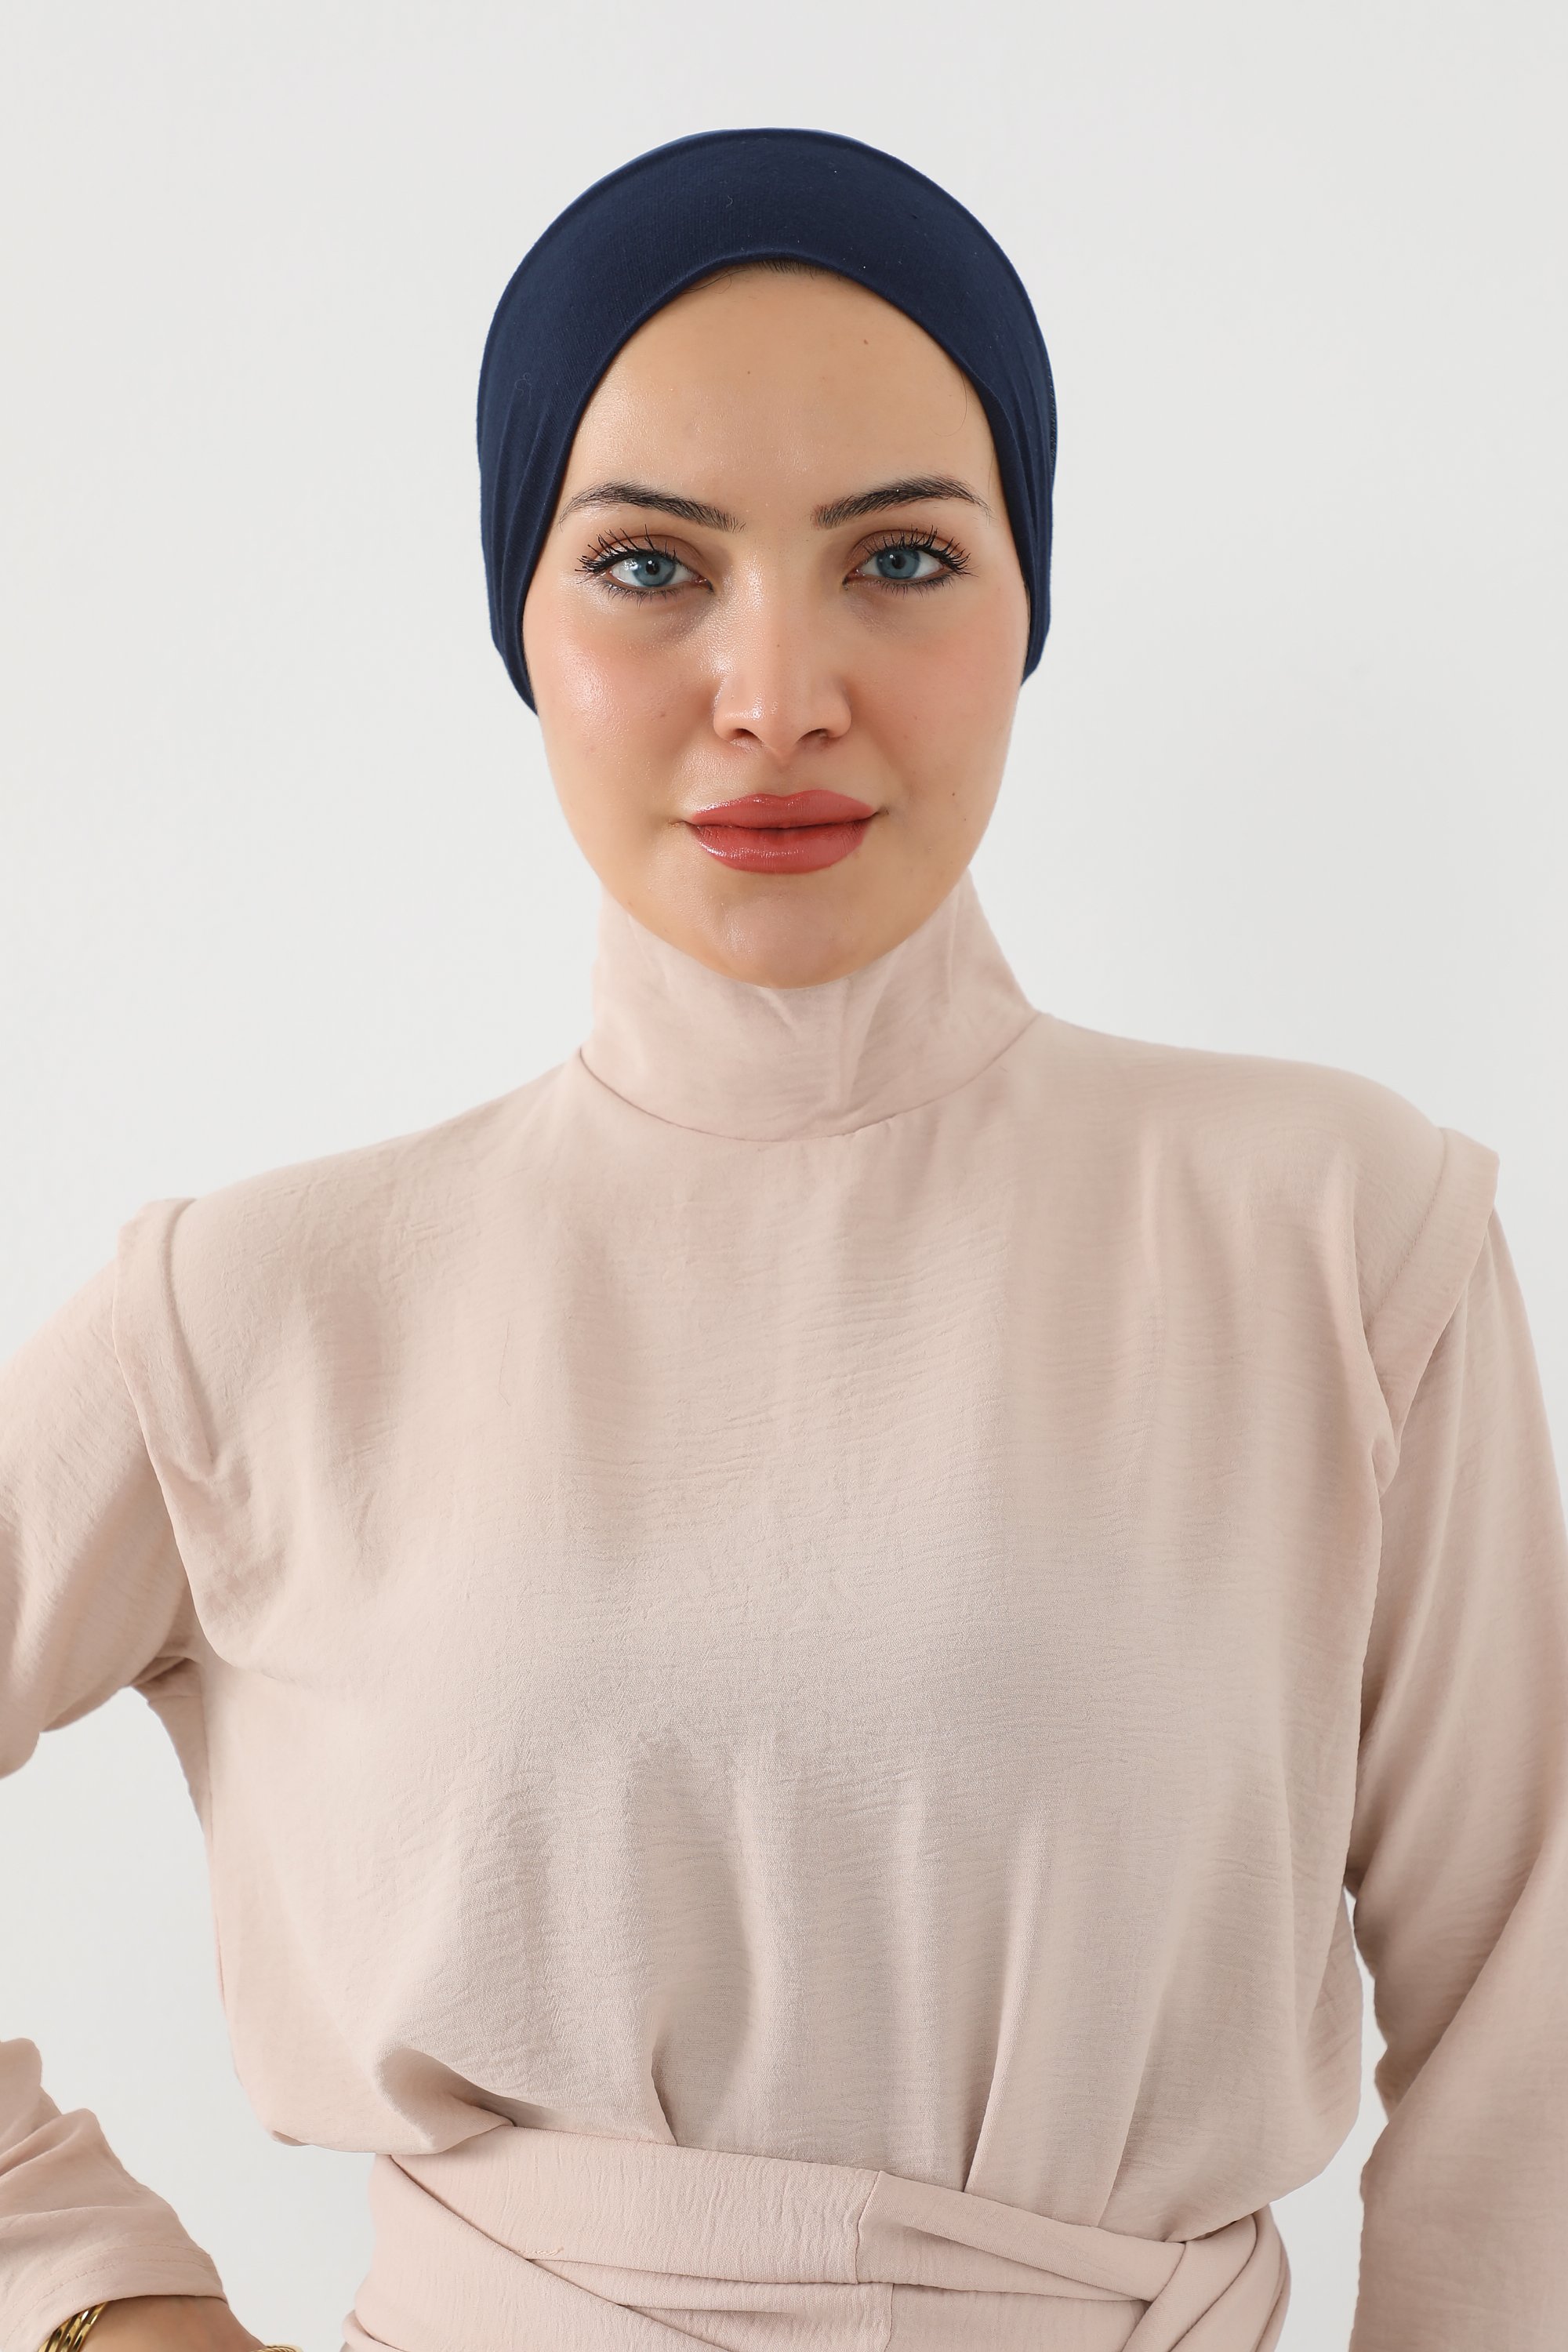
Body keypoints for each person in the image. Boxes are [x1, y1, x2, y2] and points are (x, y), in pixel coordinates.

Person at [2, 125, 1564, 2352]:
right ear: (523, 624)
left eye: (901, 558)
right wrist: (92, 2294)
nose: (777, 692)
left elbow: (1530, 2030)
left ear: (1029, 601)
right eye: (650, 566)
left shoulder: (1343, 1237)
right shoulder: (262, 1309)